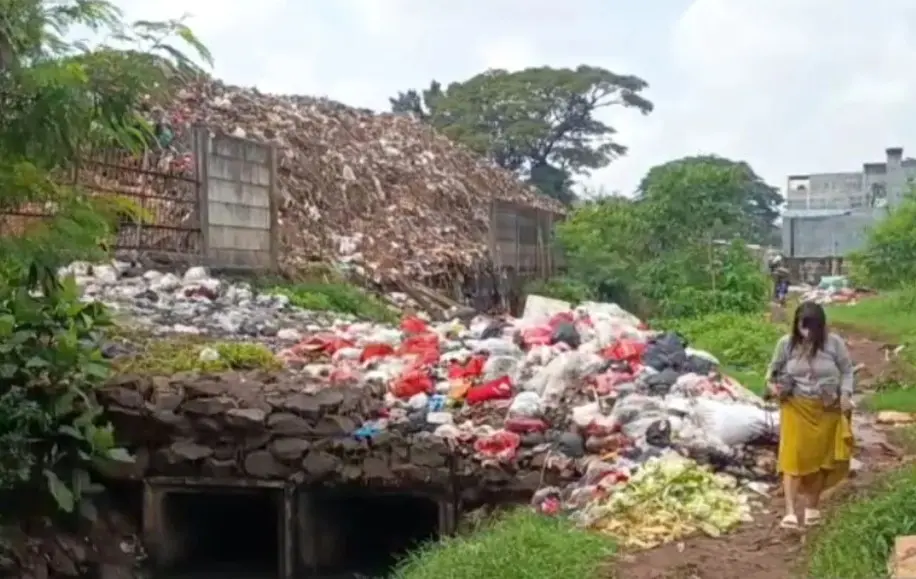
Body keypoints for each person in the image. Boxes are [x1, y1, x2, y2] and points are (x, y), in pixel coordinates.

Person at [766, 301, 855, 529]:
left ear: (821, 327)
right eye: (802, 327)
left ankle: (812, 508)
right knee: (792, 456)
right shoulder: (786, 345)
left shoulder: (834, 344)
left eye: (811, 328)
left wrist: (845, 394)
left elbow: (847, 371)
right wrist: (773, 386)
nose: (806, 333)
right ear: (796, 325)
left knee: (820, 459)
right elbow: (772, 372)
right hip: (796, 406)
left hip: (827, 408)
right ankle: (789, 512)